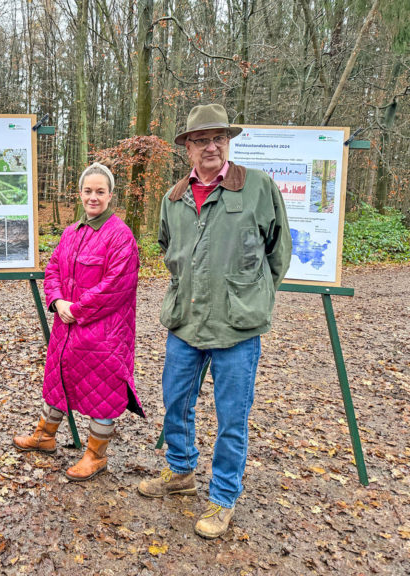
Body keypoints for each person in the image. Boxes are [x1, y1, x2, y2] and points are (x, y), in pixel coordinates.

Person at [137, 104, 292, 539]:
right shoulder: (173, 198)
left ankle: (223, 496)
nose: (211, 146)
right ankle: (181, 472)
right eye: (201, 139)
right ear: (187, 147)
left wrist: (249, 296)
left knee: (231, 417)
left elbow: (277, 253)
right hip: (185, 323)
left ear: (228, 142)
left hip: (237, 329)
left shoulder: (258, 187)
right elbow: (170, 251)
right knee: (175, 404)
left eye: (219, 138)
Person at [13, 162, 144, 481]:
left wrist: (78, 309)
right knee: (58, 379)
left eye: (100, 191)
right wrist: (58, 301)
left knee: (104, 392)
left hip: (105, 334)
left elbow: (117, 285)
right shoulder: (72, 232)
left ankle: (96, 456)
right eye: (88, 191)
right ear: (81, 194)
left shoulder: (121, 237)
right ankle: (45, 436)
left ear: (110, 195)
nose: (93, 197)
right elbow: (53, 268)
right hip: (67, 328)